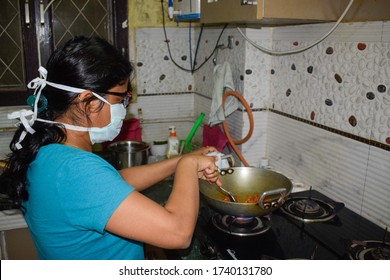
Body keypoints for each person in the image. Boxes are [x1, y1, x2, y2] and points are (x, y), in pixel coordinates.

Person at [0, 36, 221, 260]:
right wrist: (188, 165)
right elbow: (178, 233)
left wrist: (178, 161)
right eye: (121, 100)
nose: (125, 108)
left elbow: (115, 182)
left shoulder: (48, 150)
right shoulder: (75, 171)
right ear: (90, 101)